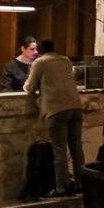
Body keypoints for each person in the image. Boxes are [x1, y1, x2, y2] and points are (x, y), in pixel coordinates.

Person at [25, 39, 84, 198]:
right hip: (75, 106)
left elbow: (30, 88)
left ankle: (61, 187)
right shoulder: (65, 60)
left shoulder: (40, 62)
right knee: (77, 148)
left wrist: (28, 85)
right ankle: (82, 183)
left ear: (40, 50)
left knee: (59, 149)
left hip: (56, 108)